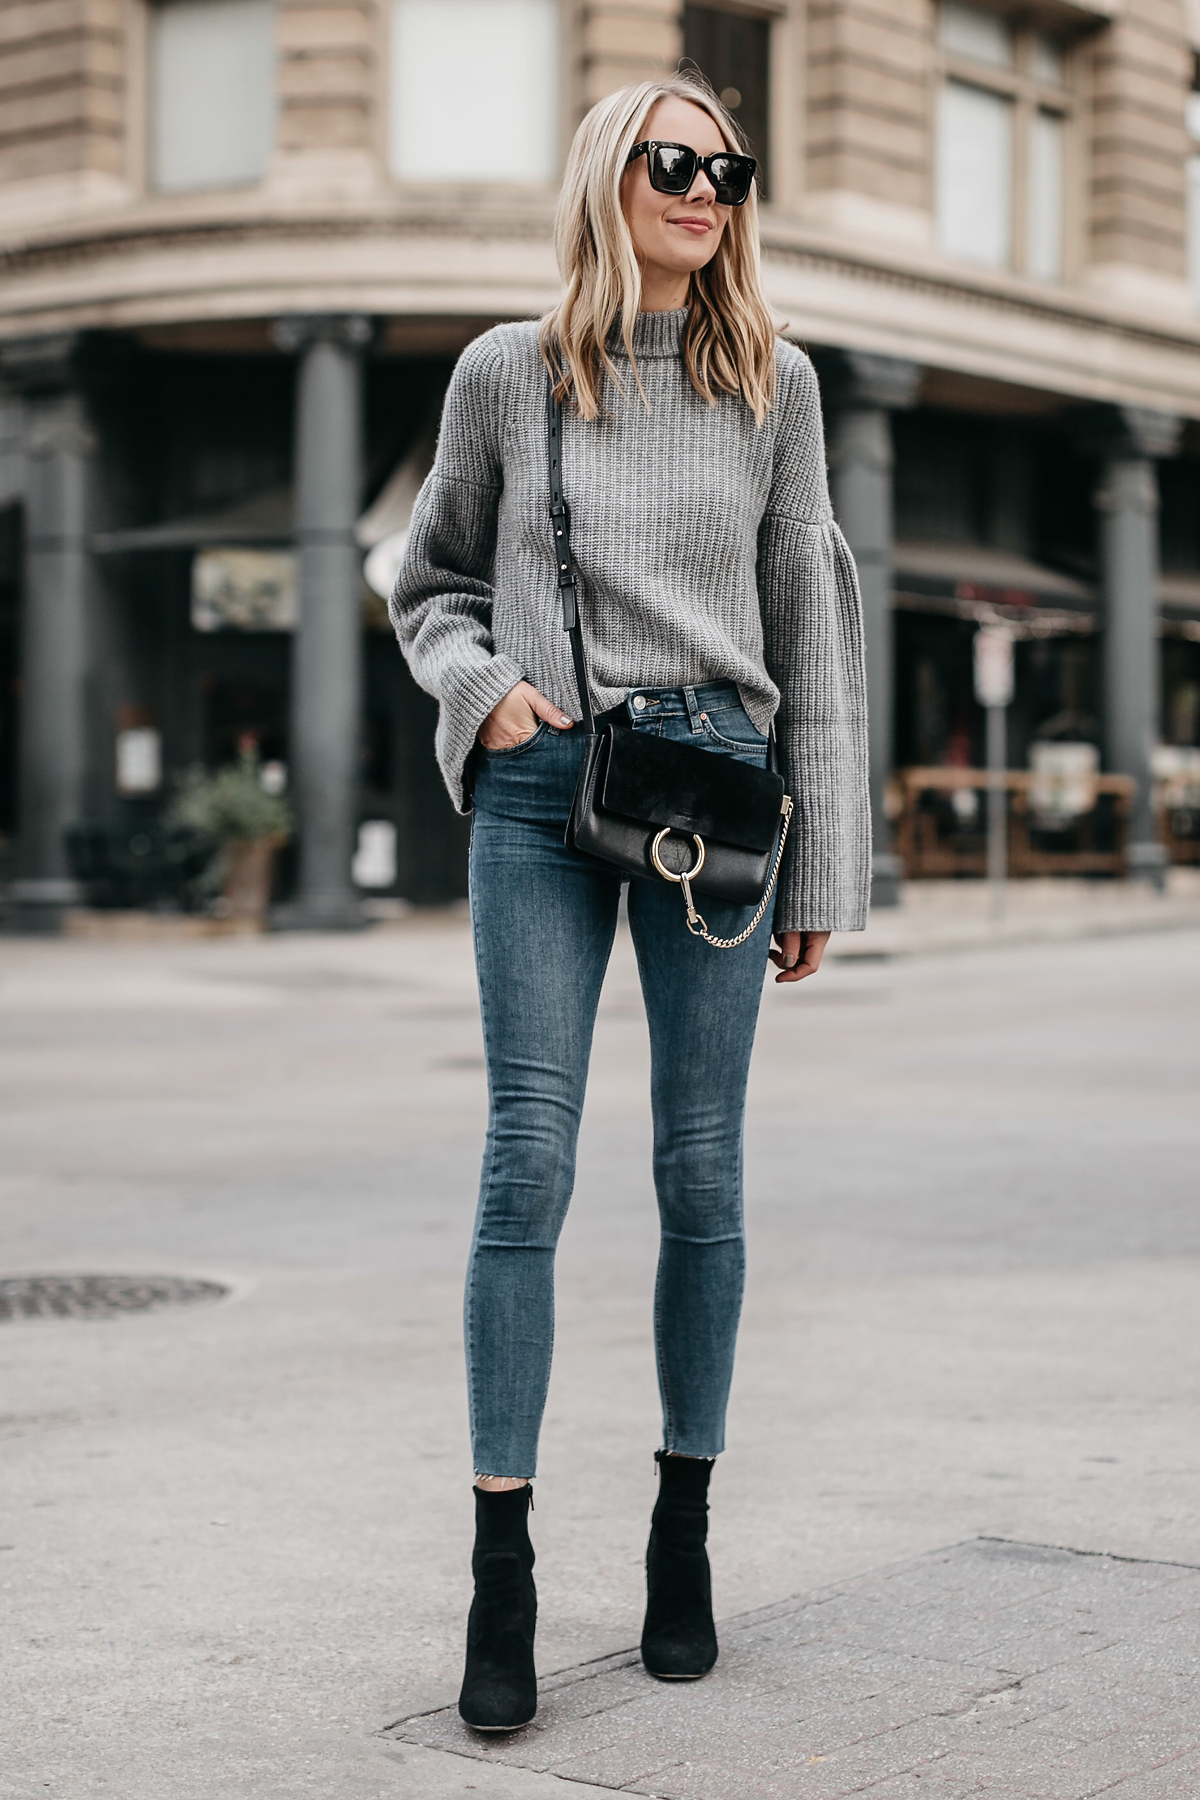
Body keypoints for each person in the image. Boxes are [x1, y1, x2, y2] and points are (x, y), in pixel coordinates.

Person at [390, 73, 870, 1732]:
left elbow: (810, 615)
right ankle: (501, 1566)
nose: (706, 189)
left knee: (700, 1165)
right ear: (612, 174)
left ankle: (683, 1534)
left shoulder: (775, 384)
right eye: (677, 162)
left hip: (714, 805)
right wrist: (486, 692)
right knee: (527, 1154)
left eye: (728, 169)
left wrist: (828, 861)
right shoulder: (507, 377)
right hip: (541, 786)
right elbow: (429, 575)